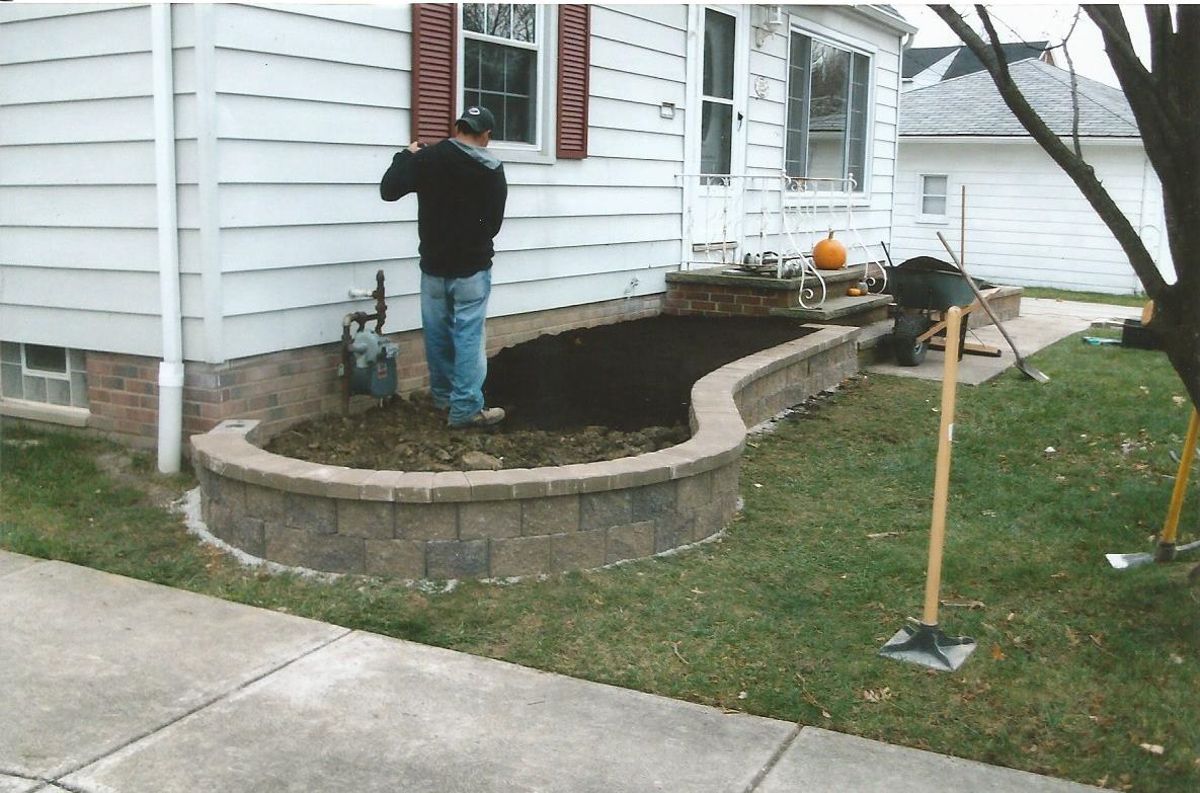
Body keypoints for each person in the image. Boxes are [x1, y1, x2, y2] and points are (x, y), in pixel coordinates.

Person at [380, 106, 508, 428]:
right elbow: (491, 225)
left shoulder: (428, 159)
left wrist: (405, 156)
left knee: (437, 334)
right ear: (486, 135)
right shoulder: (491, 169)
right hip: (472, 269)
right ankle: (465, 408)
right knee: (468, 337)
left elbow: (388, 190)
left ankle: (442, 398)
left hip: (434, 268)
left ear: (458, 128)